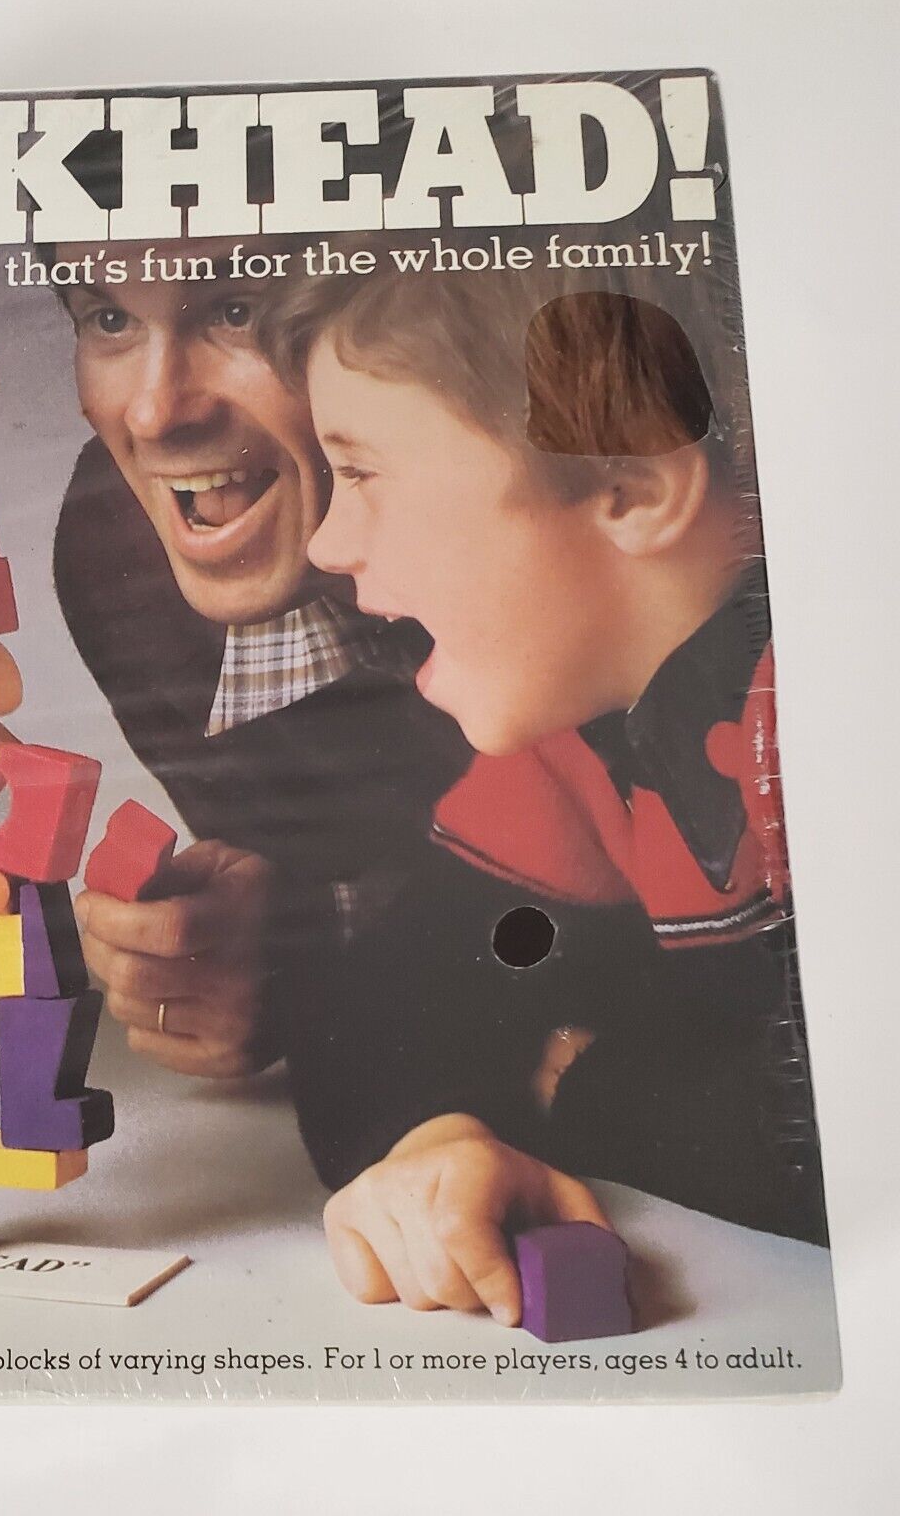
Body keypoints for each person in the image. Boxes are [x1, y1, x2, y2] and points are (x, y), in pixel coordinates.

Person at [256, 256, 827, 1325]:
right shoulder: (574, 740)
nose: (327, 542)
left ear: (630, 488)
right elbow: (376, 1003)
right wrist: (443, 1141)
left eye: (364, 472)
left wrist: (585, 1090)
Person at [52, 232, 469, 1080]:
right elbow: (310, 888)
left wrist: (348, 976)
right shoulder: (116, 546)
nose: (155, 413)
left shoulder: (553, 532)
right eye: (108, 318)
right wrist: (290, 944)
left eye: (237, 312)